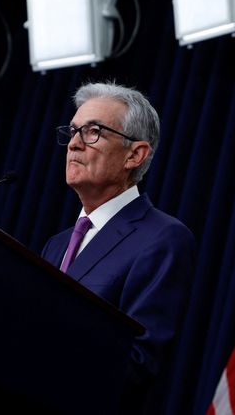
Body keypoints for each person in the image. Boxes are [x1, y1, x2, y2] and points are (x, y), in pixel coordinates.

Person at [42, 81, 195, 412]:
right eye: (72, 132)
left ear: (135, 154)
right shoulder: (56, 245)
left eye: (93, 132)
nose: (74, 145)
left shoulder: (163, 237)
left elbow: (138, 361)